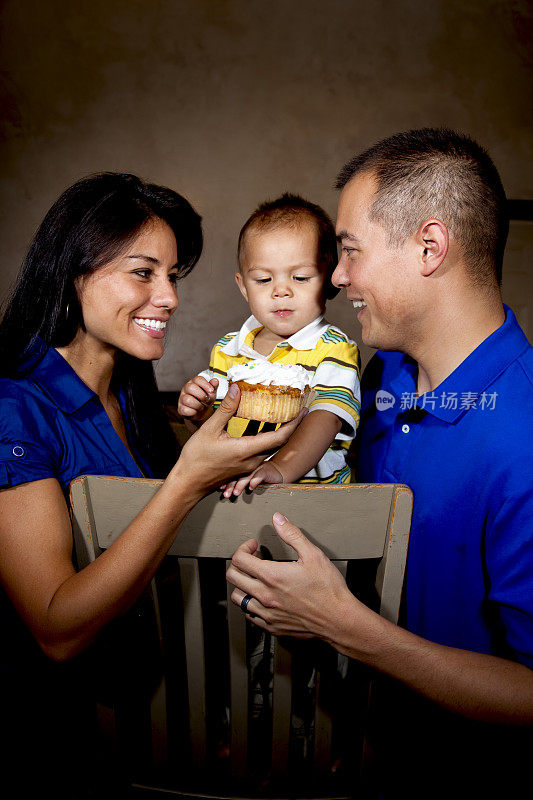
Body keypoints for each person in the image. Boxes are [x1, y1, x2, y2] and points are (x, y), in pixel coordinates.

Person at [226, 129, 533, 797]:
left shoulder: (522, 439)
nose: (335, 277)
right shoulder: (381, 375)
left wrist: (343, 625)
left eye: (348, 250)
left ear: (428, 247)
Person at [0, 172, 303, 798]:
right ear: (73, 271)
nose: (167, 297)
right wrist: (187, 479)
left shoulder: (133, 398)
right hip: (66, 736)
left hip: (156, 717)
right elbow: (56, 630)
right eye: (143, 272)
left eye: (174, 276)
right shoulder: (14, 406)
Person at [178, 193, 361, 494]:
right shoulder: (228, 349)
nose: (281, 291)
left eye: (300, 277)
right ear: (243, 287)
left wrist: (279, 468)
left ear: (329, 279)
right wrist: (198, 414)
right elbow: (215, 434)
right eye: (263, 280)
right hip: (239, 491)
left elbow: (325, 418)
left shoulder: (335, 349)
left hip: (314, 500)